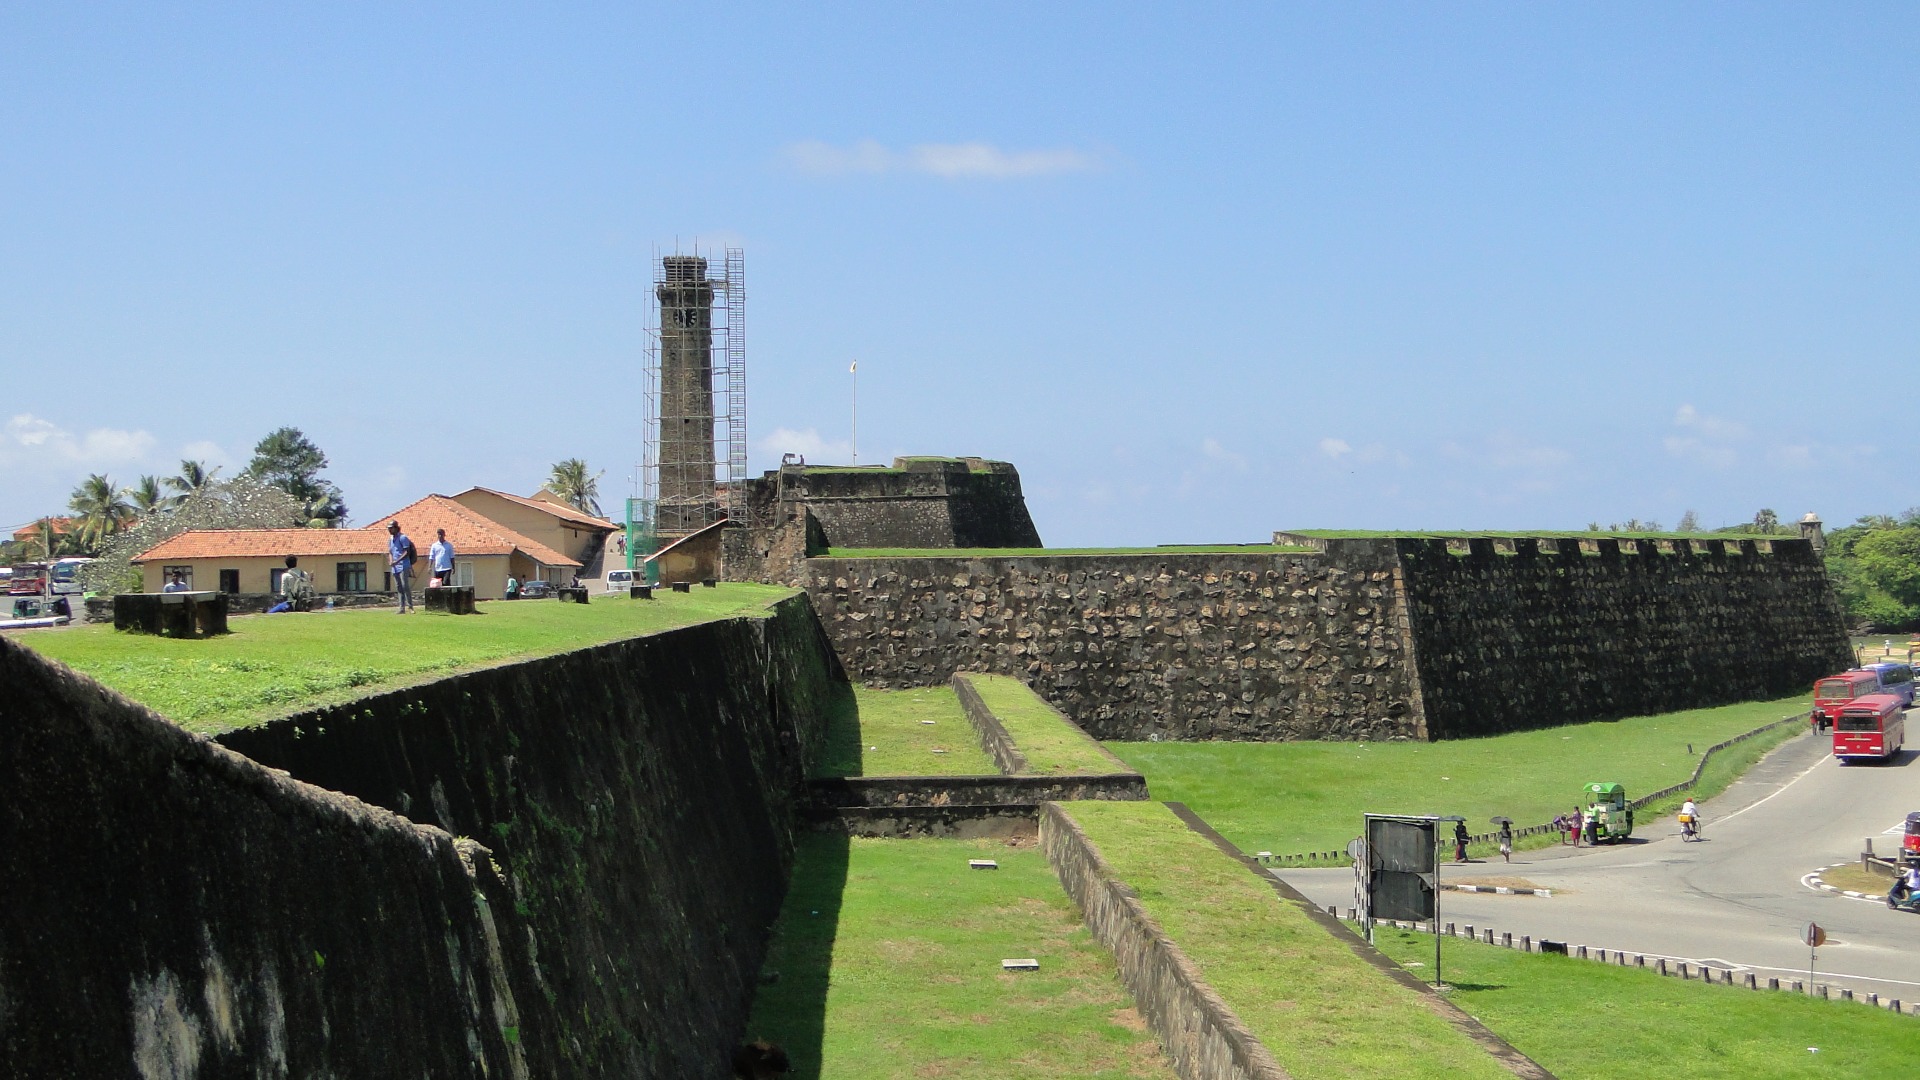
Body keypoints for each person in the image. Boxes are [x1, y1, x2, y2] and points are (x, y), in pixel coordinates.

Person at [387, 520, 416, 614]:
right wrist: (391, 561)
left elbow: (406, 552)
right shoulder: (390, 540)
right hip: (395, 567)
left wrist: (397, 561)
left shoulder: (403, 538)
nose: (389, 530)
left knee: (405, 586)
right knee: (399, 587)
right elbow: (390, 552)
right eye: (388, 528)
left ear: (396, 528)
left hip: (403, 565)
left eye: (391, 528)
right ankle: (401, 608)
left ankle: (410, 607)